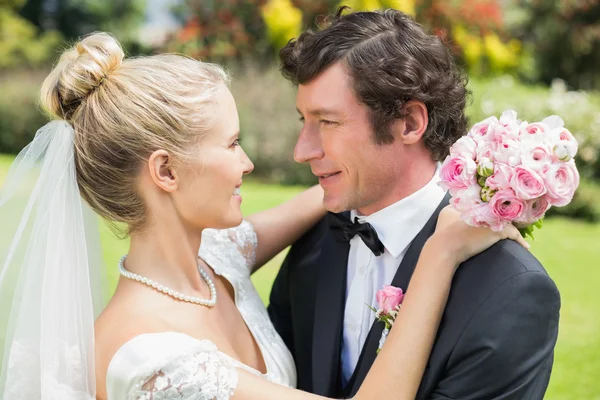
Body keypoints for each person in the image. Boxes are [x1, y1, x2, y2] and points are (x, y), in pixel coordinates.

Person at [0, 32, 527, 400]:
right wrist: (441, 251)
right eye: (231, 144)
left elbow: (341, 194)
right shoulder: (148, 355)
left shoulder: (217, 260)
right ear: (165, 171)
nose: (248, 162)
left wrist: (474, 184)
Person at [269, 7, 561, 400]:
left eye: (328, 122)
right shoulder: (314, 244)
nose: (301, 151)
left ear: (408, 122)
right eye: (304, 120)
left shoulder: (510, 289)